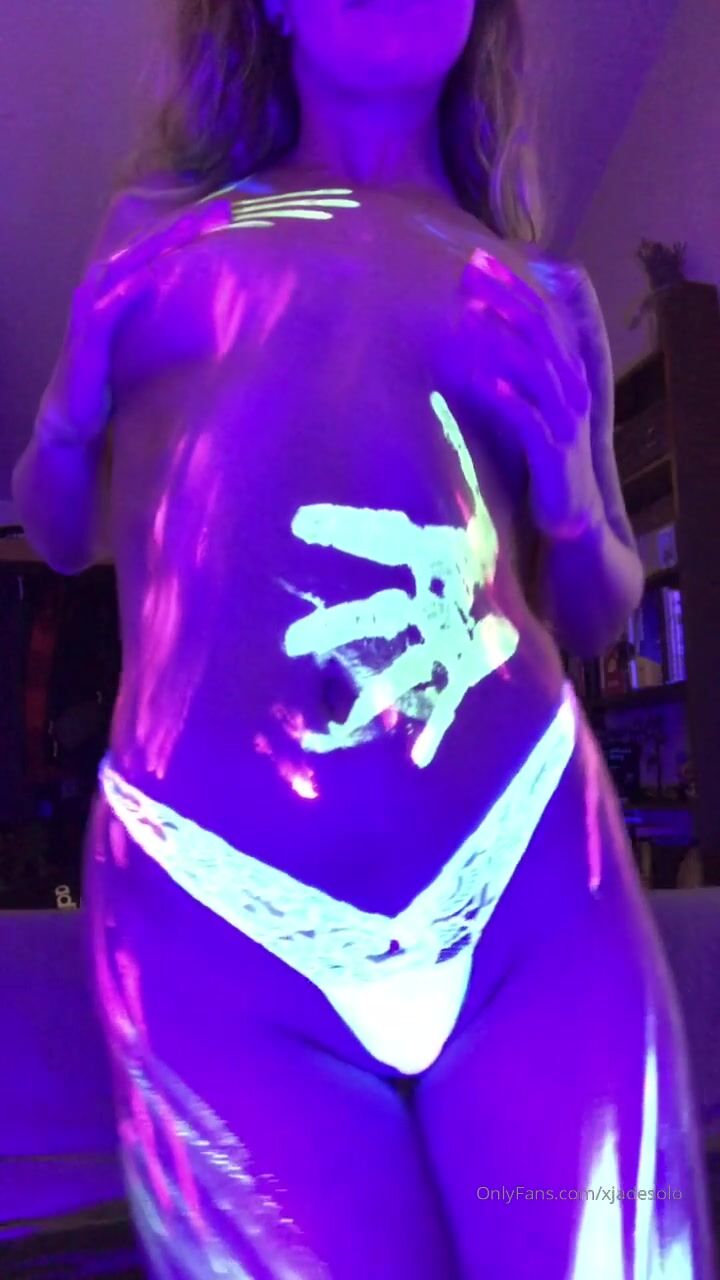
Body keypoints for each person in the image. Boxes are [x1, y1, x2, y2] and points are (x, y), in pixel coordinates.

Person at [12, 1, 714, 1276]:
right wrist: (65, 403)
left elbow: (601, 602)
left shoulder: (538, 288)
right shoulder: (160, 237)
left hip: (533, 882)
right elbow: (59, 533)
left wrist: (568, 497)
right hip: (216, 915)